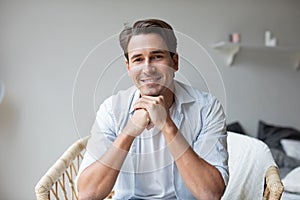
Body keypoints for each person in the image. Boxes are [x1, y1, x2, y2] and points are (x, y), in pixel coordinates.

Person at [77, 19, 228, 200]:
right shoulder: (111, 109)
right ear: (129, 67)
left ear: (175, 62)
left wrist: (167, 125)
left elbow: (210, 194)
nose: (147, 68)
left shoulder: (207, 108)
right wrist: (129, 132)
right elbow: (87, 194)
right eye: (138, 59)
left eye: (157, 56)